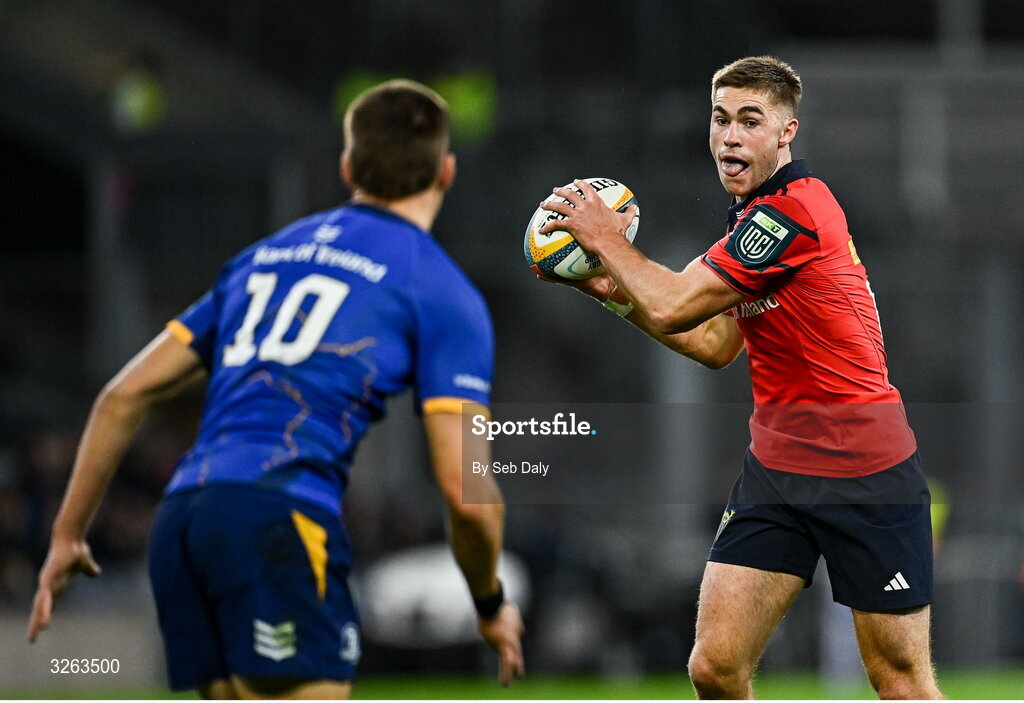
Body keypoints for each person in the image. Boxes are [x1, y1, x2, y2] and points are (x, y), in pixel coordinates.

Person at [28, 79, 525, 699]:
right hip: (278, 521)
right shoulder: (442, 290)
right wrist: (488, 600)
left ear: (349, 167)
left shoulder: (262, 258)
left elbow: (121, 395)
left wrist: (66, 535)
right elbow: (464, 489)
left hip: (185, 520)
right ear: (446, 172)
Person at [538, 56, 943, 699]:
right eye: (721, 118)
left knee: (898, 680)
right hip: (778, 470)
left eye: (750, 121)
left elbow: (674, 303)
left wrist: (605, 235)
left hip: (863, 468)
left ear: (787, 133)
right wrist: (606, 290)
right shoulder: (748, 221)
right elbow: (712, 342)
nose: (730, 135)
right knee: (715, 668)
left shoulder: (794, 212)